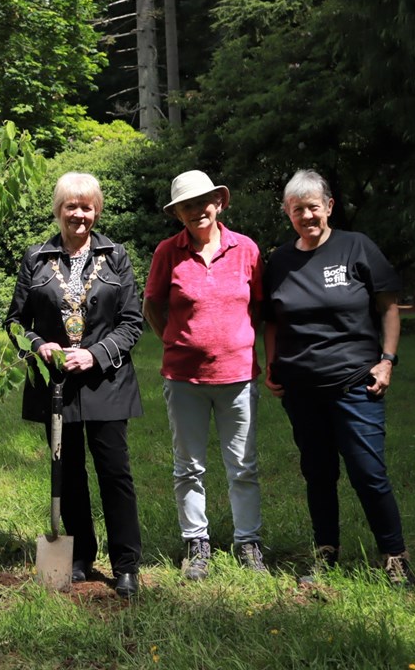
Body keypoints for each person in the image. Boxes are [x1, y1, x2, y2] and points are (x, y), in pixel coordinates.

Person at [263, 169, 414, 585]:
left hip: (355, 383)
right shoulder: (279, 261)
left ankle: (395, 555)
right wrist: (272, 365)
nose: (307, 216)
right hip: (300, 388)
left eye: (314, 207)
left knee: (368, 471)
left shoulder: (357, 247)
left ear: (329, 206)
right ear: (287, 213)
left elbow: (388, 307)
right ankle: (326, 550)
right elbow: (272, 321)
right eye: (298, 210)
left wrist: (387, 360)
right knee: (318, 472)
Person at [4, 172, 143, 599]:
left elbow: (133, 322)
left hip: (107, 381)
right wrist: (38, 344)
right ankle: (81, 556)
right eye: (71, 206)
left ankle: (126, 565)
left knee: (114, 472)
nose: (78, 215)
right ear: (58, 210)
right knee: (68, 473)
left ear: (96, 210)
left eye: (86, 207)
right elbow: (13, 322)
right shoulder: (36, 258)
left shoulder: (116, 256)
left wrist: (96, 353)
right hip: (57, 385)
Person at [143, 170, 265, 580]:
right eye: (187, 206)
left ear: (219, 203)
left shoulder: (246, 249)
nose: (197, 211)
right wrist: (175, 341)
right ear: (178, 214)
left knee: (243, 465)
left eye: (203, 202)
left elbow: (260, 307)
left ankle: (248, 543)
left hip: (238, 375)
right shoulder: (167, 252)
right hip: (184, 379)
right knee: (188, 466)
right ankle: (197, 543)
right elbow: (153, 306)